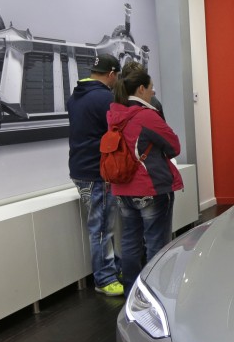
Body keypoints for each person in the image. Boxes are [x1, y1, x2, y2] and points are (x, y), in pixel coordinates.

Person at [108, 68, 184, 293]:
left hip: (122, 189)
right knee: (156, 244)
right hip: (151, 187)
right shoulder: (147, 116)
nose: (153, 93)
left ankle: (133, 291)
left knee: (130, 242)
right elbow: (174, 147)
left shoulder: (114, 116)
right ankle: (154, 293)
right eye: (151, 88)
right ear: (141, 89)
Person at [66, 53, 123, 296]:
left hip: (80, 168)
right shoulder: (104, 99)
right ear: (111, 74)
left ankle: (111, 265)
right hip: (96, 171)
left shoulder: (76, 96)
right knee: (101, 227)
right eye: (116, 77)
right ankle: (104, 278)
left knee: (101, 225)